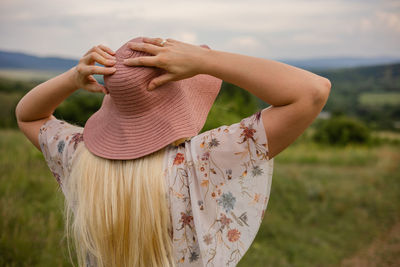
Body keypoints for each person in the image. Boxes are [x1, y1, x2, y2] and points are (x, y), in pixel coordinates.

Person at [15, 36, 331, 267]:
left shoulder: (79, 156)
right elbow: (312, 91)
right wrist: (207, 61)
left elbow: (28, 115)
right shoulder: (204, 159)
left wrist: (73, 77)